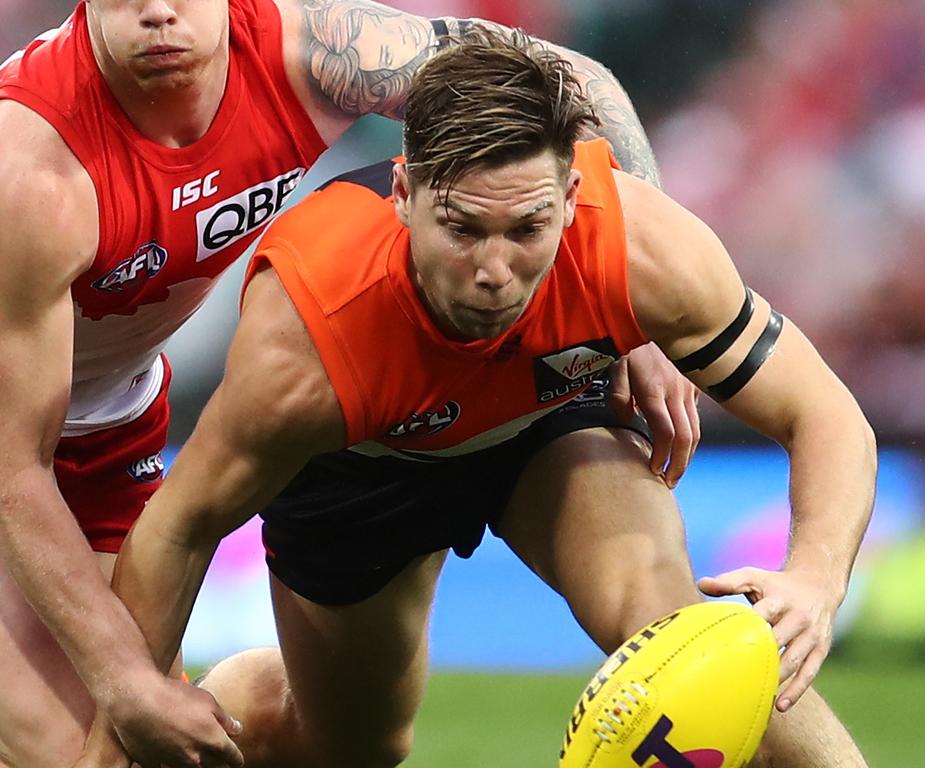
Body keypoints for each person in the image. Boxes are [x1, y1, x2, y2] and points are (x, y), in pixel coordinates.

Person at [80, 30, 877, 768]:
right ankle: (245, 694)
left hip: (544, 423)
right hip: (357, 466)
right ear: (403, 193)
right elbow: (177, 531)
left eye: (527, 229)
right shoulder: (307, 340)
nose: (496, 273)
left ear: (571, 197)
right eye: (463, 230)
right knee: (350, 748)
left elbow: (827, 415)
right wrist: (131, 705)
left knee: (684, 638)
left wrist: (812, 579)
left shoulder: (643, 249)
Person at [0, 3, 701, 766]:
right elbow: (12, 468)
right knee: (74, 747)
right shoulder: (32, 174)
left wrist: (636, 301)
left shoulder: (310, 53)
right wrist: (122, 678)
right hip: (15, 446)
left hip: (108, 424)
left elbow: (578, 80)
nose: (160, 10)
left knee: (234, 732)